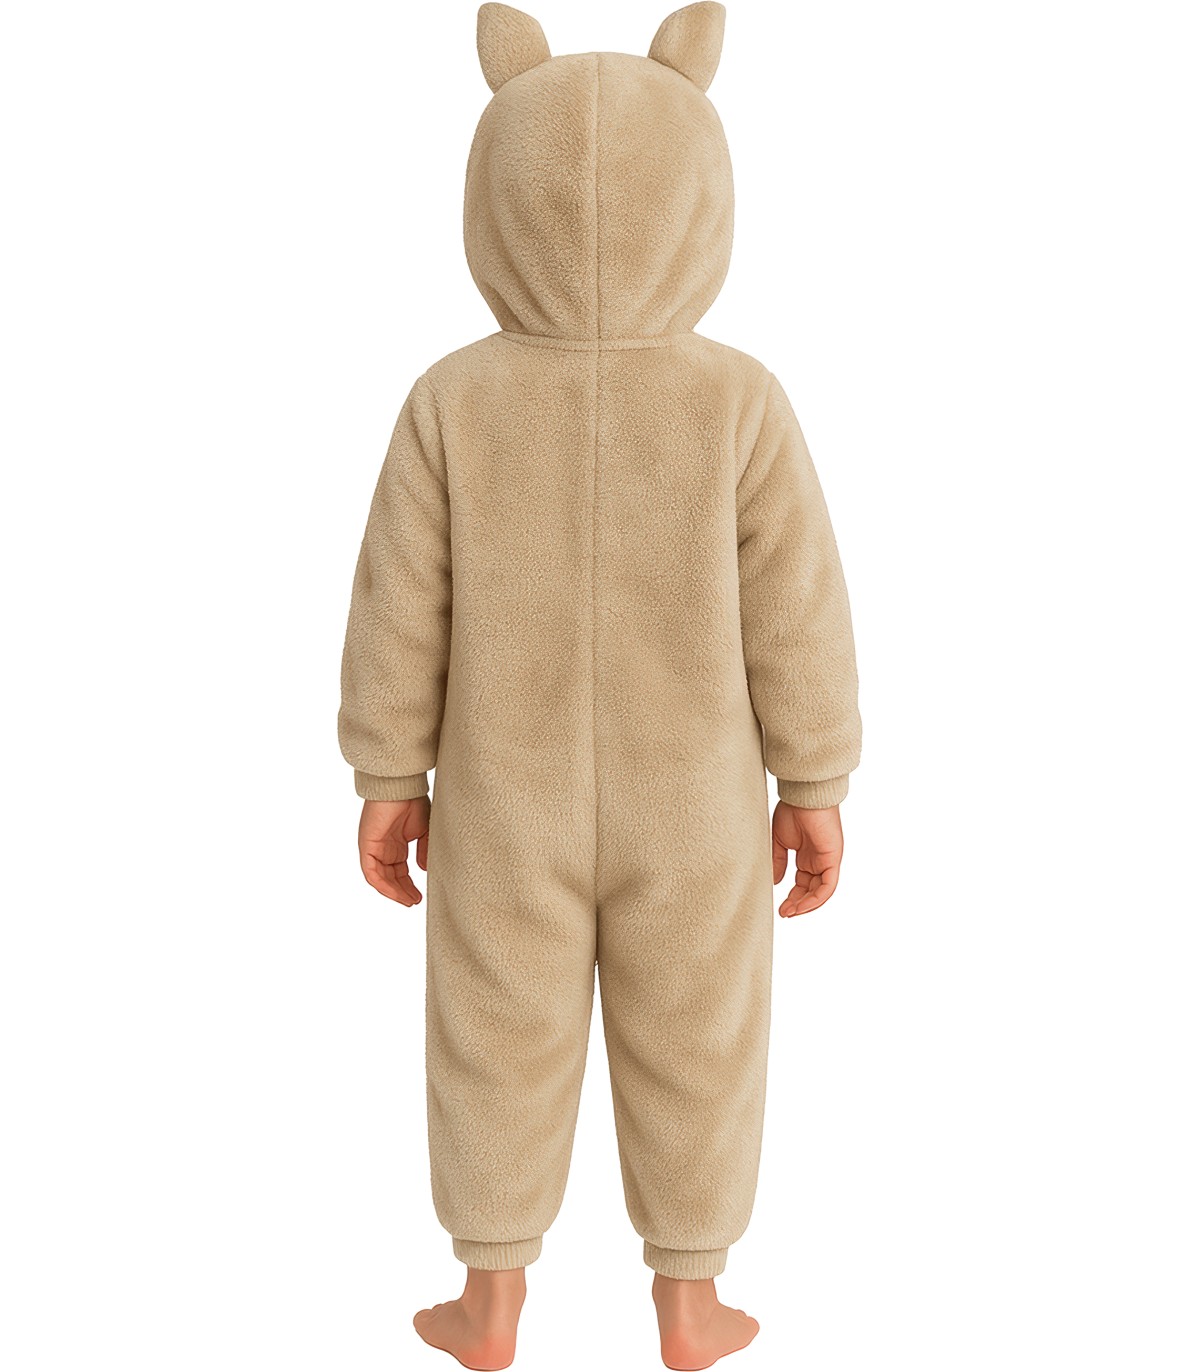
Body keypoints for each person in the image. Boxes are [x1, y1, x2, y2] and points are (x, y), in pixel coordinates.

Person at [338, 4, 862, 1368]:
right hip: (694, 800)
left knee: (490, 1030)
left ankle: (489, 1300)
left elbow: (398, 604)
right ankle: (690, 1304)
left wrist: (389, 773)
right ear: (699, 199)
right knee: (700, 1036)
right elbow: (798, 610)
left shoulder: (451, 400)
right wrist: (813, 780)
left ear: (493, 199)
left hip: (502, 793)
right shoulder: (737, 400)